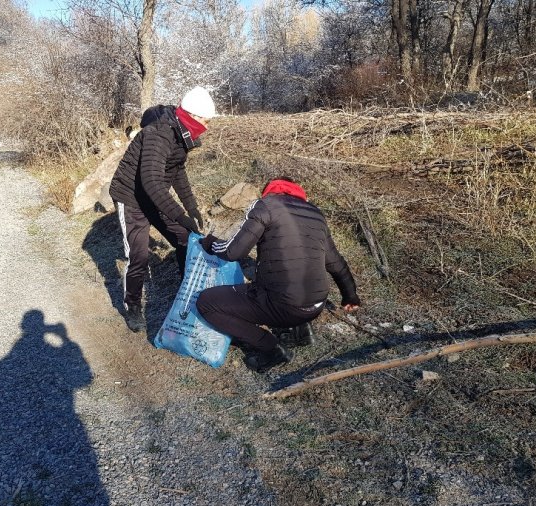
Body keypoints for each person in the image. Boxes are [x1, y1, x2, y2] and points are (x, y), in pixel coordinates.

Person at [196, 177, 361, 372]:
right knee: (290, 280)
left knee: (206, 302)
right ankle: (298, 330)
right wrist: (350, 296)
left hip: (284, 306)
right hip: (315, 307)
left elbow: (233, 252)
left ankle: (269, 347)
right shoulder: (315, 214)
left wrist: (210, 243)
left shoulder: (265, 205)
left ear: (269, 191)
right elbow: (336, 263)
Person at [109, 86, 216, 332]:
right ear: (192, 115)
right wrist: (179, 215)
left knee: (185, 239)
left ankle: (185, 289)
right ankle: (132, 306)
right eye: (205, 121)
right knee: (139, 256)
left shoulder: (181, 135)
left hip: (152, 195)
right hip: (131, 197)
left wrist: (192, 208)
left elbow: (177, 171)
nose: (207, 127)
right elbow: (151, 181)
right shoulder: (159, 134)